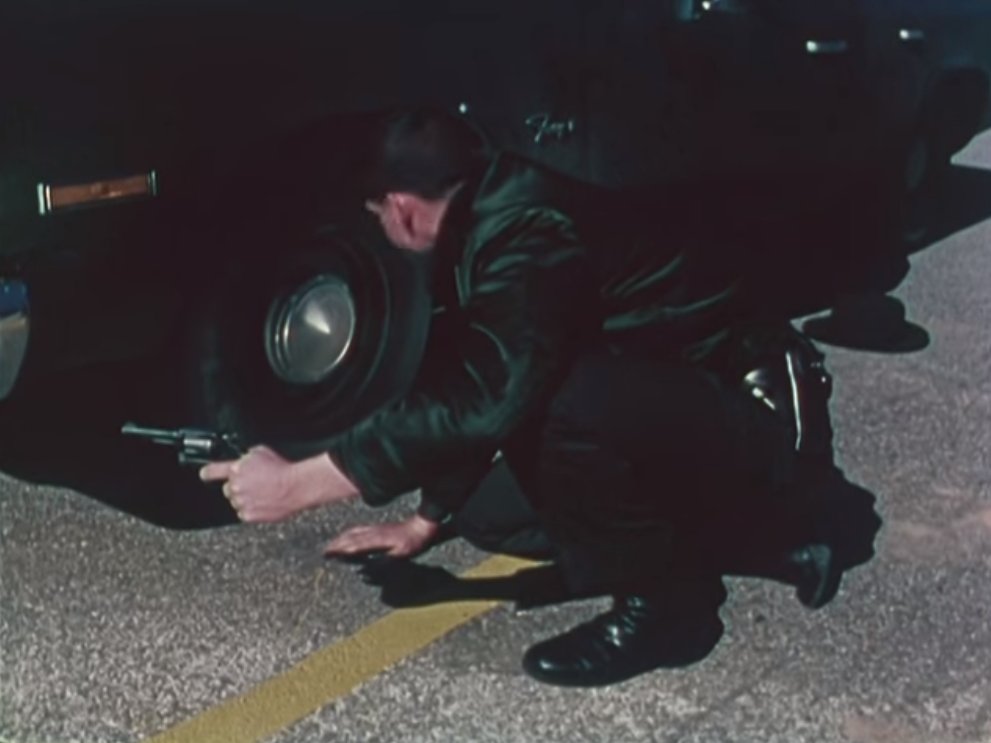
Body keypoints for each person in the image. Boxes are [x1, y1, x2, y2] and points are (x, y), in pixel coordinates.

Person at [200, 106, 835, 687]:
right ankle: (740, 536)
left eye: (376, 217)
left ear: (401, 207)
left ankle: (671, 609)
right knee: (487, 513)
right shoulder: (483, 218)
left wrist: (302, 483)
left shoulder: (525, 233)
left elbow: (492, 397)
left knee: (558, 407)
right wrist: (426, 521)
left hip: (758, 420)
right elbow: (472, 374)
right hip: (685, 409)